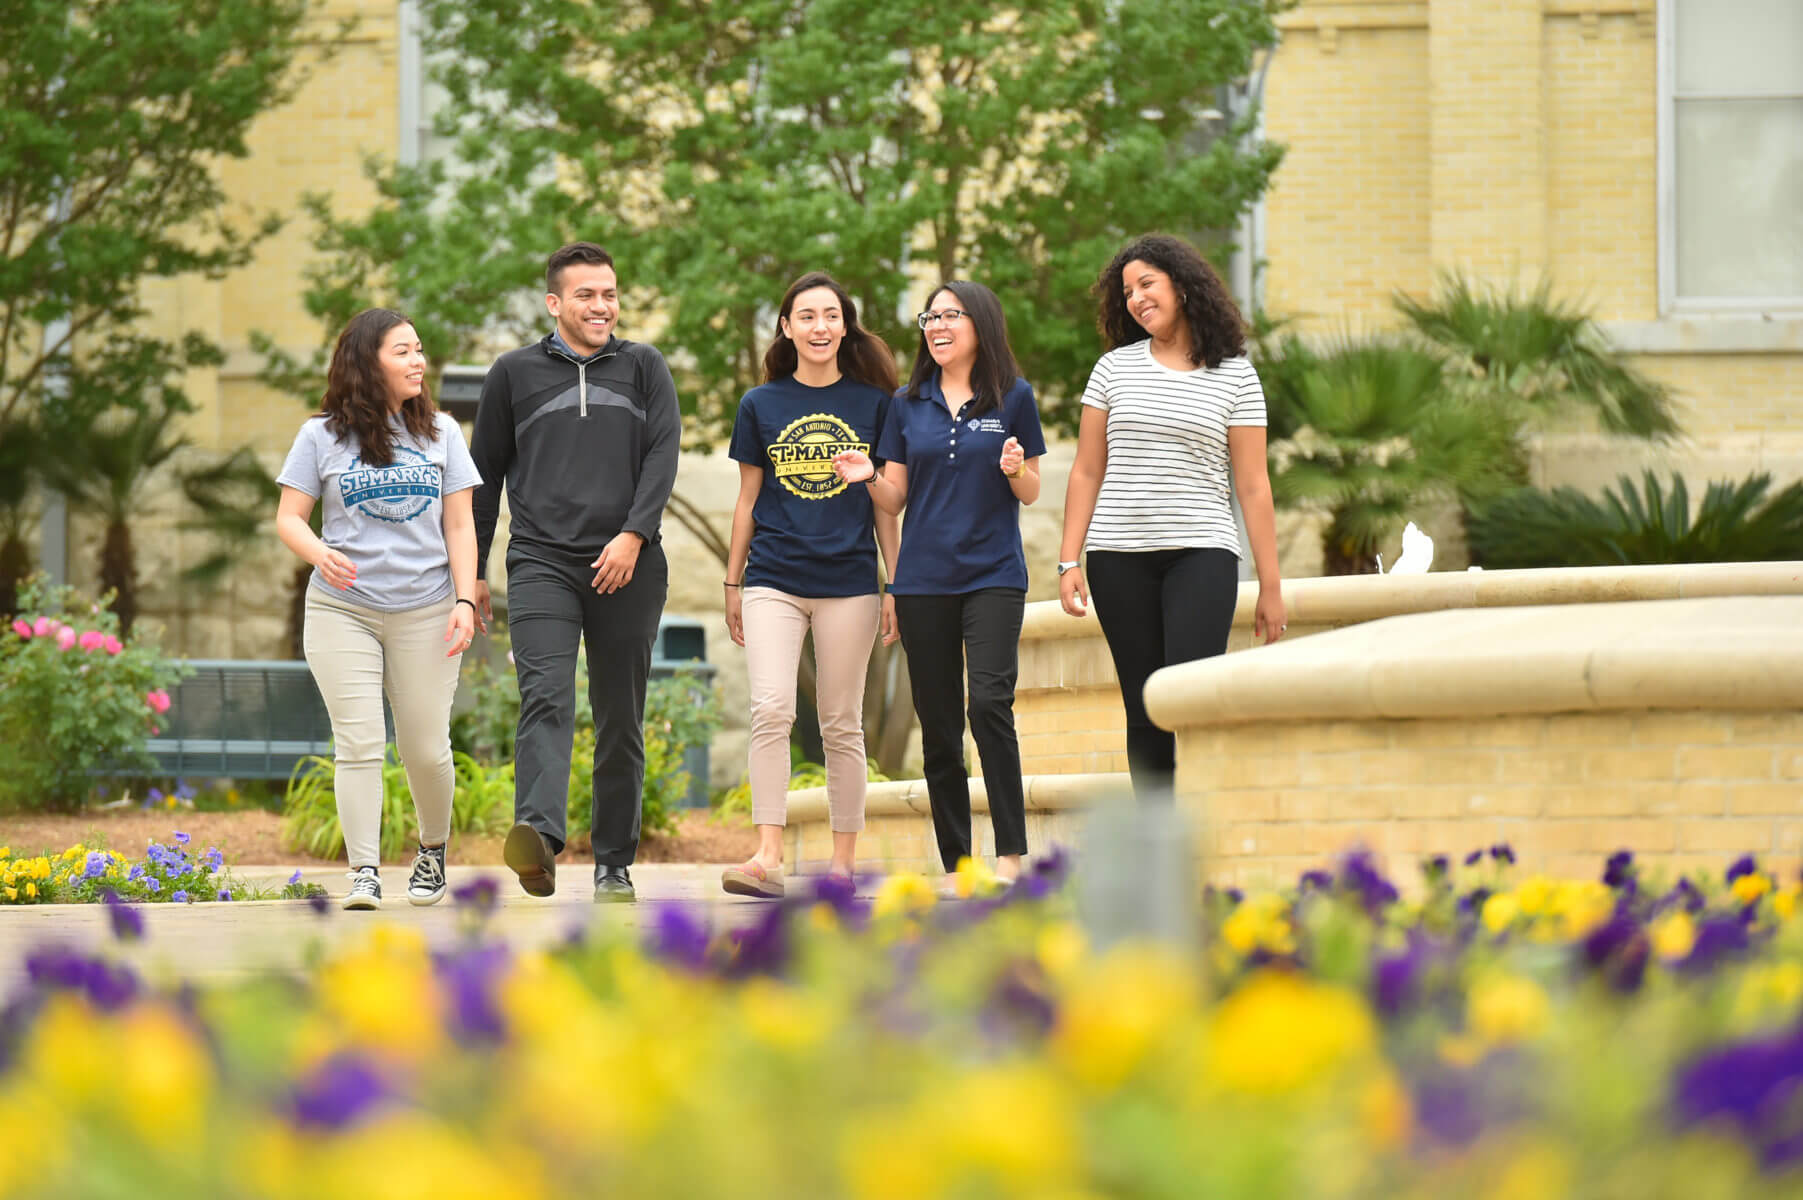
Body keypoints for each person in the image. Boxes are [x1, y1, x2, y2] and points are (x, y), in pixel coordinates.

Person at [470, 242, 681, 903]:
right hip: (540, 561)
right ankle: (536, 837)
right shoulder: (512, 374)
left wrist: (630, 536)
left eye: (610, 293)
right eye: (586, 294)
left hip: (630, 563)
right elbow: (484, 481)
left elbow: (662, 456)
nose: (601, 305)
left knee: (621, 715)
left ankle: (613, 863)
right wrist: (472, 572)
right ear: (554, 303)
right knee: (547, 697)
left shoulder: (645, 367)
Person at [1057, 233, 1287, 800]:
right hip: (1118, 558)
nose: (1135, 299)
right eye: (1127, 291)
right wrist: (1069, 559)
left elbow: (1254, 487)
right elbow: (1086, 471)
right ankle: (1158, 849)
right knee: (1145, 706)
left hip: (1202, 552)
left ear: (1182, 287)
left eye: (1147, 284)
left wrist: (1271, 586)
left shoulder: (1236, 376)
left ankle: (1208, 836)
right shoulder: (1112, 370)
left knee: (1193, 699)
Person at [832, 281, 1045, 883]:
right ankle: (959, 863)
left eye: (951, 314)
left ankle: (1009, 857)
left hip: (994, 575)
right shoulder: (908, 402)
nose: (937, 325)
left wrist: (1013, 470)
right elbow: (894, 499)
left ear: (981, 323)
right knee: (941, 724)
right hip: (923, 582)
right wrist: (866, 473)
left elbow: (1031, 488)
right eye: (930, 315)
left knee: (991, 705)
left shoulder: (1014, 397)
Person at [275, 308, 480, 910]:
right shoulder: (320, 436)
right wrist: (320, 554)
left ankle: (432, 850)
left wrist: (466, 598)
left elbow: (461, 525)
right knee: (359, 742)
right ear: (368, 362)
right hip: (344, 609)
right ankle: (363, 869)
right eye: (403, 351)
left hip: (429, 606)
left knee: (424, 747)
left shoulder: (442, 433)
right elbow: (289, 517)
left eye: (420, 350)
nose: (419, 361)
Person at [718, 272, 900, 899]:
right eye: (807, 316)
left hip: (850, 581)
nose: (820, 327)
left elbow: (885, 507)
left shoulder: (876, 406)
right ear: (787, 327)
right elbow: (747, 499)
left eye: (831, 316)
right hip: (773, 576)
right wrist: (732, 580)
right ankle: (768, 856)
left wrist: (894, 584)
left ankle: (843, 866)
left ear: (844, 326)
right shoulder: (760, 405)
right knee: (770, 708)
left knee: (840, 722)